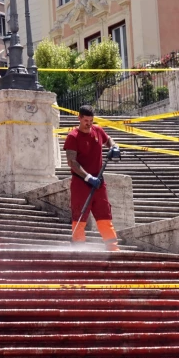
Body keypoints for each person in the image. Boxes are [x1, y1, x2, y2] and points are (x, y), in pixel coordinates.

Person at [64, 105, 121, 251]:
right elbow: (72, 162)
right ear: (79, 118)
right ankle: (78, 247)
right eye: (86, 120)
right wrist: (88, 177)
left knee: (104, 212)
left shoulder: (98, 130)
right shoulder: (73, 136)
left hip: (99, 181)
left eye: (91, 120)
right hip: (81, 182)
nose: (89, 124)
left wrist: (114, 147)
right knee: (79, 213)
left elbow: (109, 140)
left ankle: (112, 247)